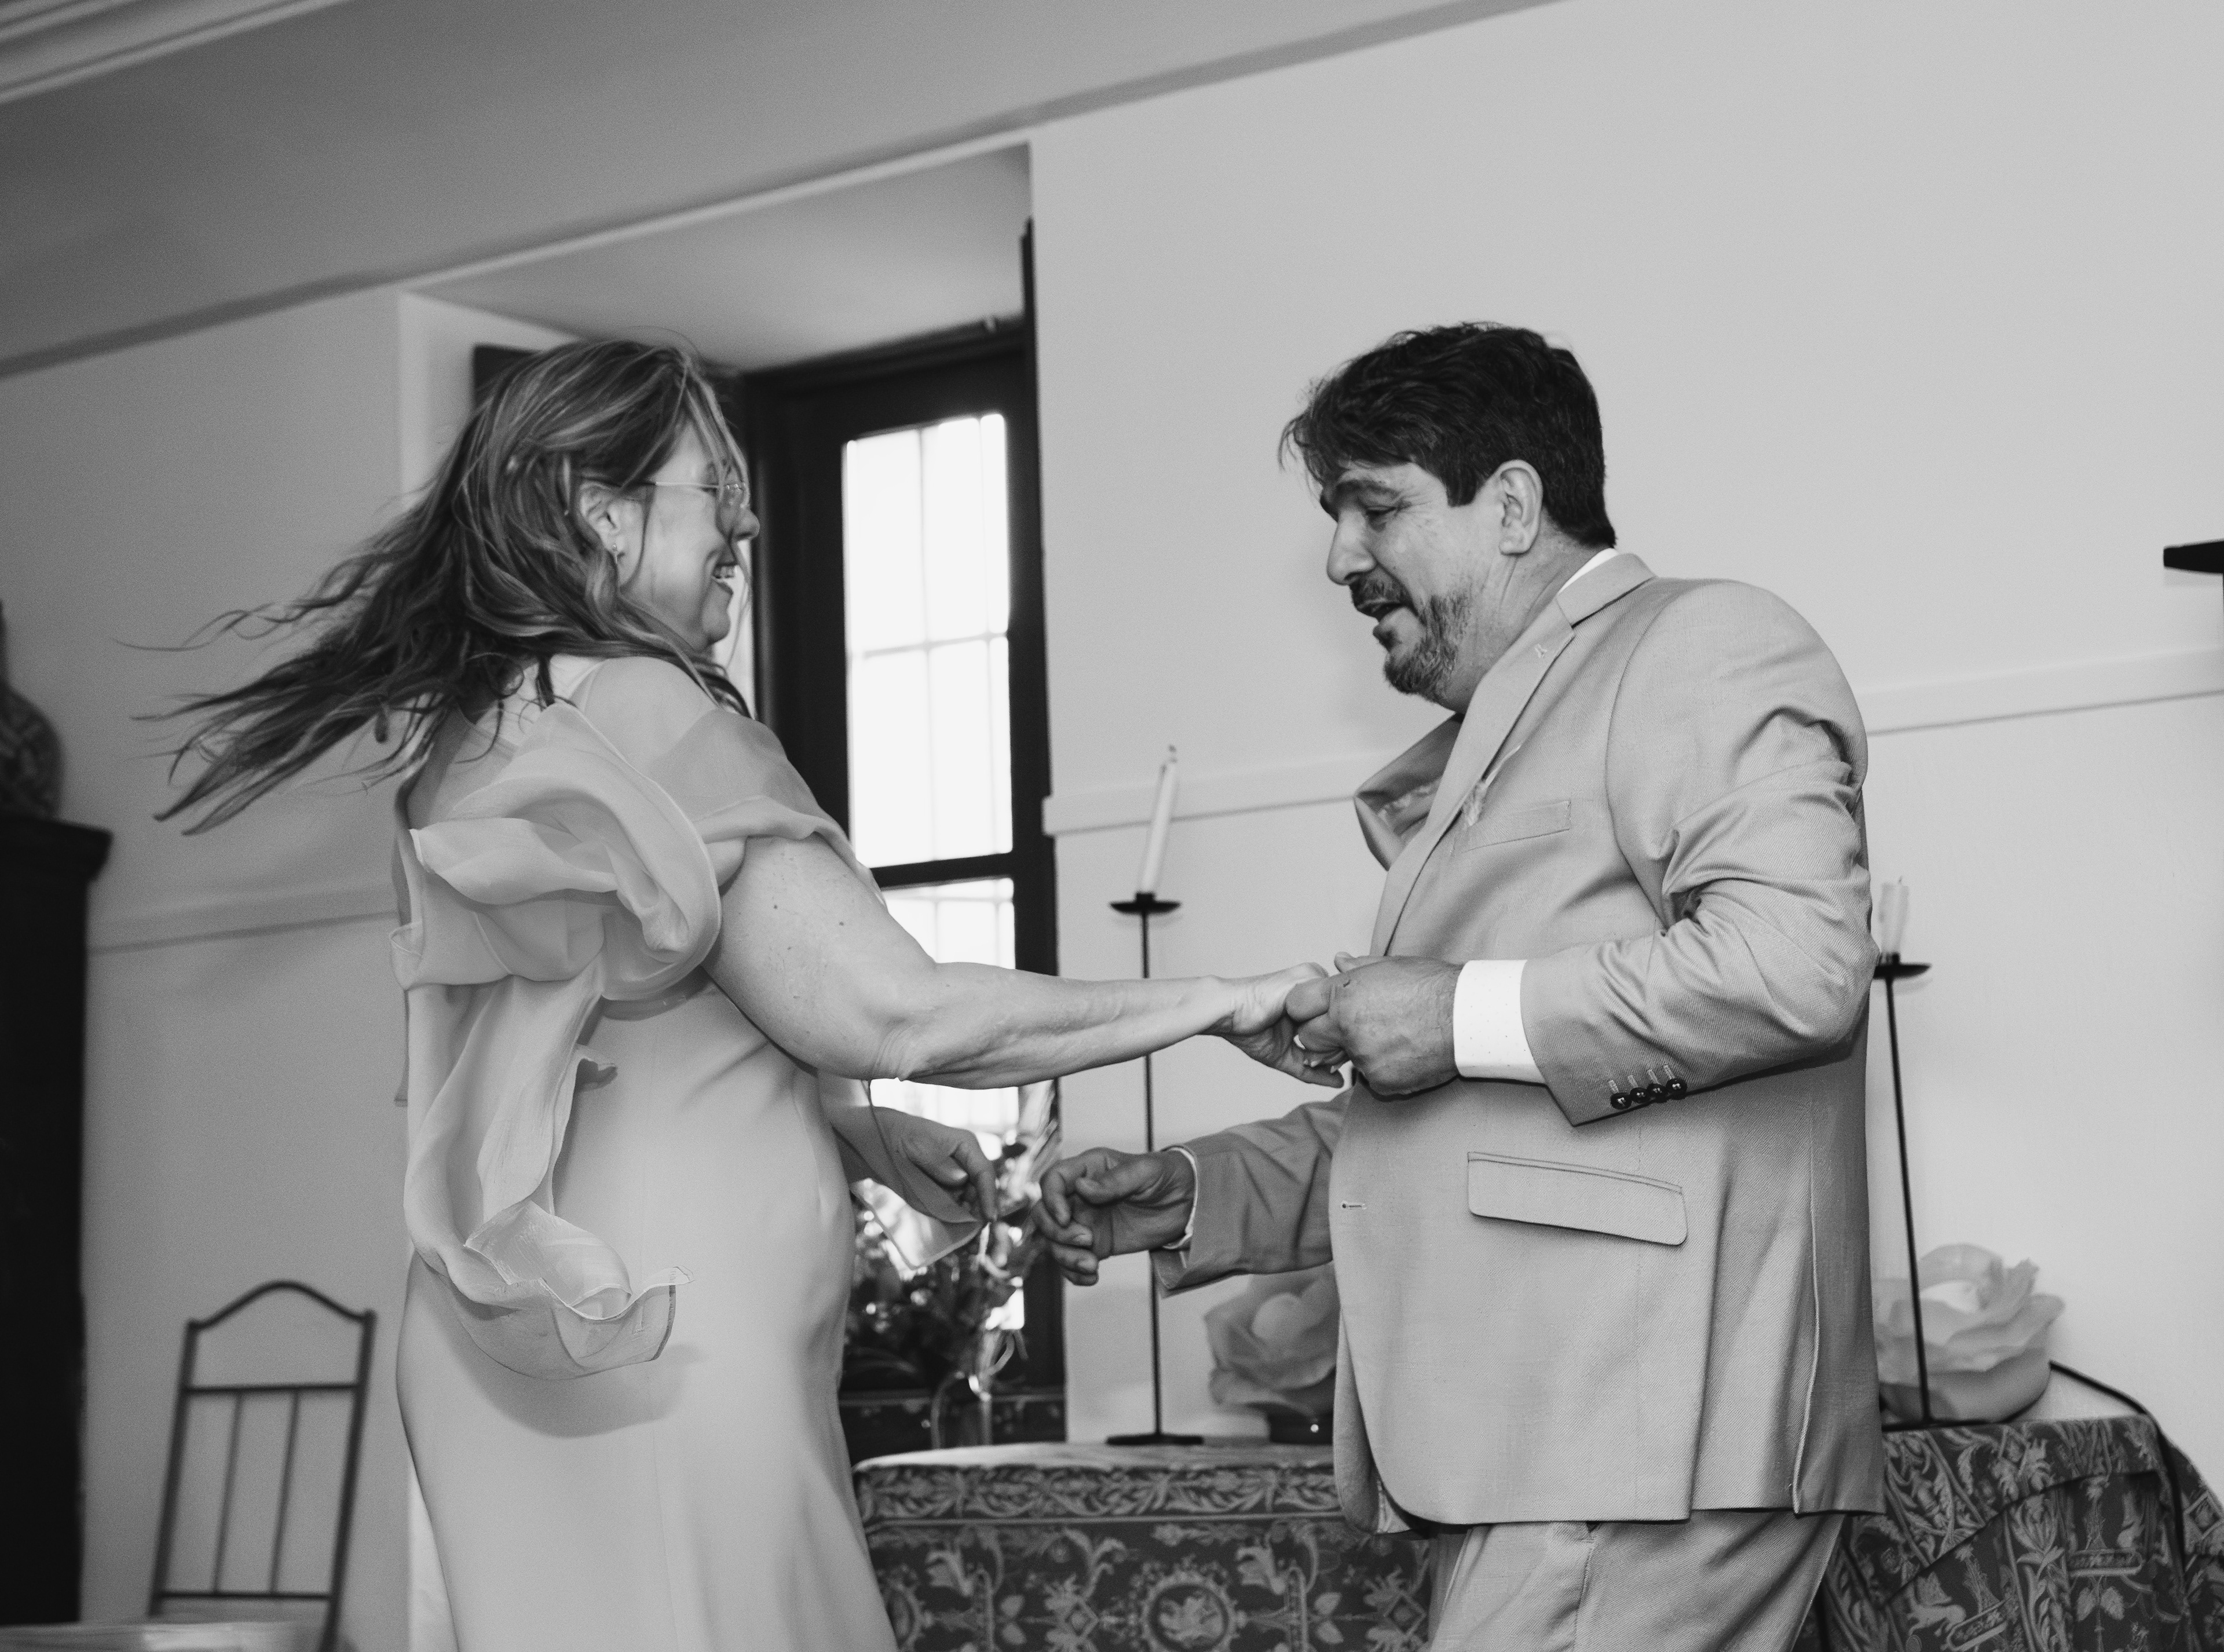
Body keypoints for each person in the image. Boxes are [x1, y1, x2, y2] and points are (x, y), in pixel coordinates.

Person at [158, 340, 1328, 1652]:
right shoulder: (651, 707)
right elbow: (899, 1014)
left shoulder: (474, 733)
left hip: (520, 1331)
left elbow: (580, 1045)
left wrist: (850, 1129)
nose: (748, 524)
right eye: (715, 490)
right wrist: (1224, 997)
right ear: (605, 513)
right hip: (664, 1343)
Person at [1037, 324, 1883, 1652]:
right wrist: (1199, 1189)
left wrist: (1450, 1008)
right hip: (1566, 1448)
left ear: (1512, 506)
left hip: (1637, 1439)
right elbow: (1471, 1124)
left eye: (1375, 508)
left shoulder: (1702, 642)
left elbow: (1799, 963)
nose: (1339, 558)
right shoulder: (1500, 731)